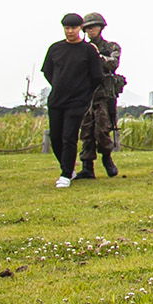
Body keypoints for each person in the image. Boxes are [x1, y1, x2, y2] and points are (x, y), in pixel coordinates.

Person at [40, 12, 108, 188]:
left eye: (73, 28)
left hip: (77, 102)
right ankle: (68, 168)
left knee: (69, 137)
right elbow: (48, 72)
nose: (70, 31)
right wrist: (59, 85)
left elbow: (96, 77)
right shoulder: (55, 48)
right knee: (55, 137)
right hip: (56, 99)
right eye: (67, 28)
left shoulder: (88, 51)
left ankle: (65, 175)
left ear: (80, 29)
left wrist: (84, 95)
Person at [75, 11, 122, 179]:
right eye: (87, 28)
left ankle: (107, 158)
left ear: (101, 28)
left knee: (102, 129)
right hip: (86, 94)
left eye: (93, 27)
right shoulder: (81, 48)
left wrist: (97, 56)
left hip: (104, 93)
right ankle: (87, 166)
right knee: (86, 131)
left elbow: (113, 64)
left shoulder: (111, 47)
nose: (90, 31)